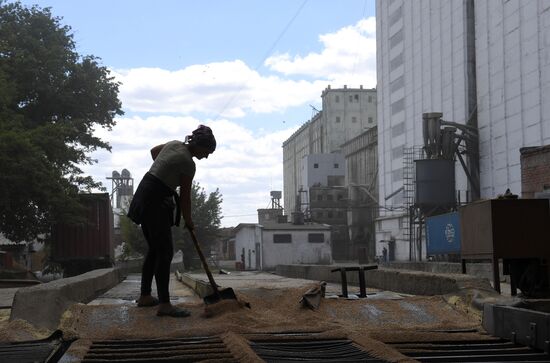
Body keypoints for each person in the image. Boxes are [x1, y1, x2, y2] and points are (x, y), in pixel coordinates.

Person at [127, 125, 216, 317]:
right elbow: (185, 197)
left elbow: (154, 152)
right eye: (206, 152)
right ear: (199, 145)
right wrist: (189, 221)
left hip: (144, 192)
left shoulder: (174, 144)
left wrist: (165, 174)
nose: (207, 156)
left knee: (154, 250)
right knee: (165, 252)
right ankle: (165, 305)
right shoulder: (188, 164)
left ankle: (145, 297)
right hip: (155, 201)